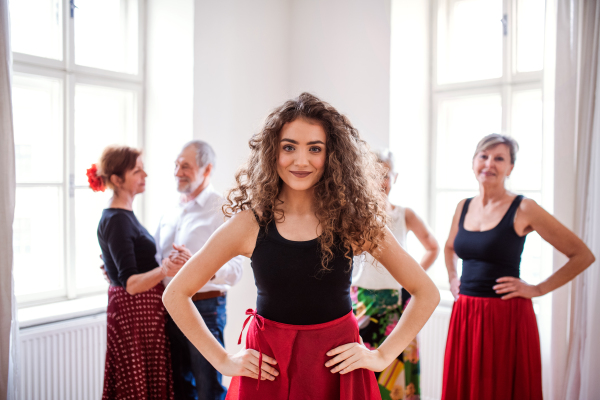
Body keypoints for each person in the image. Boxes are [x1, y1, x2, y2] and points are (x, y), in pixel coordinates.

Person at [162, 92, 441, 400]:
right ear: (272, 152)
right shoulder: (249, 224)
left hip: (337, 371)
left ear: (332, 156)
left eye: (315, 148)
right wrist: (223, 360)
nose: (301, 160)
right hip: (267, 370)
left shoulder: (353, 221)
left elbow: (426, 292)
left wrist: (382, 356)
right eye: (289, 147)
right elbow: (175, 293)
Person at [441, 134, 596, 400]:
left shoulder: (524, 207)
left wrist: (537, 289)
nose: (489, 163)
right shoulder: (463, 206)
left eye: (499, 158)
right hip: (465, 312)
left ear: (510, 167)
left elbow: (582, 255)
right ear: (473, 162)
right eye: (484, 156)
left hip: (505, 316)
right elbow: (449, 247)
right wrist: (453, 277)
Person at [156, 140, 244, 400]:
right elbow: (156, 257)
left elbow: (237, 271)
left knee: (208, 387)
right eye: (176, 165)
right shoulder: (170, 209)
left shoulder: (222, 209)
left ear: (207, 170)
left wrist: (198, 265)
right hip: (171, 308)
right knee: (180, 386)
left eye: (186, 166)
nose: (177, 172)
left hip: (206, 308)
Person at [352, 149, 439, 400]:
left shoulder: (403, 214)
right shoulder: (354, 215)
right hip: (361, 301)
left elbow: (432, 246)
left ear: (395, 177)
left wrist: (411, 276)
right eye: (374, 174)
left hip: (398, 301)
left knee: (397, 368)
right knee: (364, 368)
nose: (380, 182)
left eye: (386, 175)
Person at [88, 146, 174, 400]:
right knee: (136, 384)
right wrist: (166, 268)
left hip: (141, 312)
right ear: (117, 179)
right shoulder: (117, 219)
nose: (144, 174)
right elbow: (132, 284)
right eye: (137, 170)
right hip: (136, 312)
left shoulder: (123, 216)